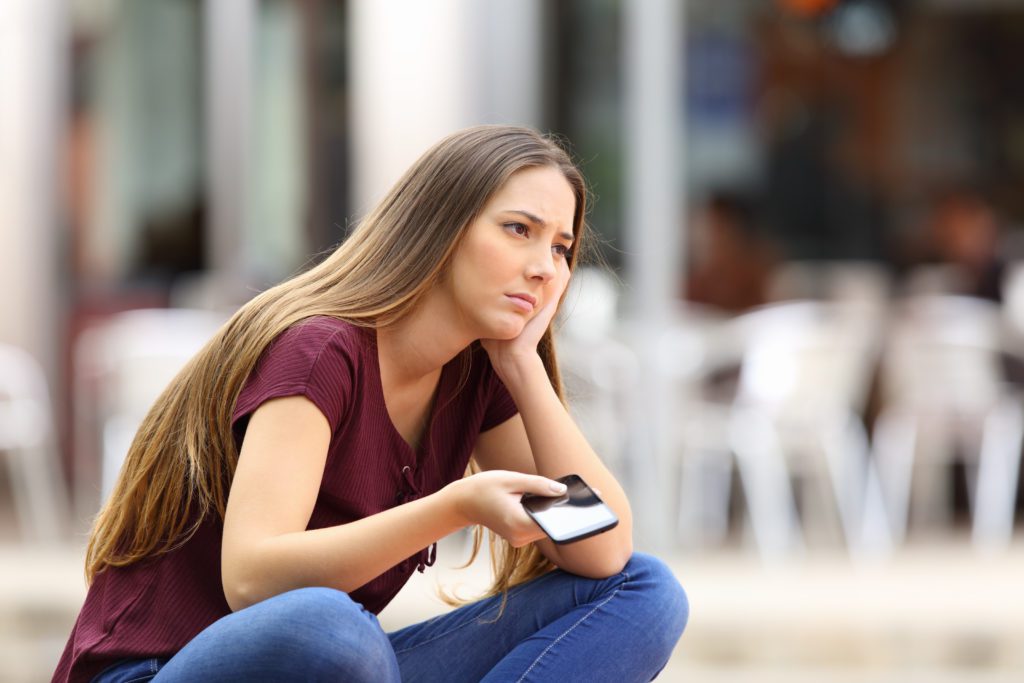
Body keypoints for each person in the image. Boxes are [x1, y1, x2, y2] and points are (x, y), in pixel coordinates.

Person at [55, 125, 688, 683]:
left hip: (350, 664)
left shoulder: (476, 373)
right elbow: (251, 578)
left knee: (646, 590)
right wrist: (455, 506)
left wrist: (523, 366)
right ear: (440, 226)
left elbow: (600, 549)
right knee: (332, 627)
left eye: (560, 248)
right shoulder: (320, 350)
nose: (545, 268)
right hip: (162, 669)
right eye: (518, 230)